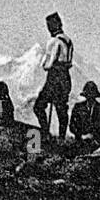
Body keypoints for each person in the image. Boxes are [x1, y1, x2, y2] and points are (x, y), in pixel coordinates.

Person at [33, 11, 74, 142]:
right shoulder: (68, 41)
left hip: (54, 77)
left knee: (39, 106)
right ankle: (61, 138)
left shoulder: (53, 42)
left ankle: (45, 132)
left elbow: (48, 65)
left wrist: (46, 64)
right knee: (62, 108)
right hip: (66, 77)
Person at [69, 80, 100, 149]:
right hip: (80, 142)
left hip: (96, 143)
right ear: (85, 95)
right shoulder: (78, 107)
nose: (90, 98)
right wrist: (81, 136)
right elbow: (72, 125)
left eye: (92, 96)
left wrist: (98, 139)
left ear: (95, 96)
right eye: (88, 95)